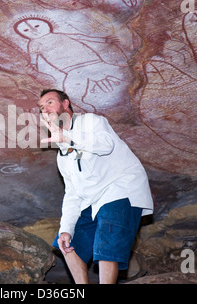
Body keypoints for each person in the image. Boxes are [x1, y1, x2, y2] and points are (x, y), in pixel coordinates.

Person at [38, 89, 153, 284]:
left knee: (106, 242)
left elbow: (105, 145)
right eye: (41, 108)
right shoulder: (62, 156)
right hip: (93, 200)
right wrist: (66, 228)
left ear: (65, 104)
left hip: (121, 188)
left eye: (49, 103)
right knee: (66, 242)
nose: (45, 110)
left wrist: (67, 138)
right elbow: (73, 194)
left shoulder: (91, 122)